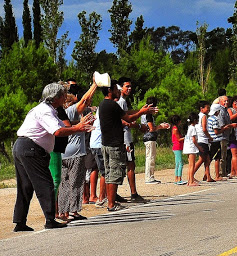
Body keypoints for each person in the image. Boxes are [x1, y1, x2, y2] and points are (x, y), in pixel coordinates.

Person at [12, 82, 94, 231]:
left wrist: (80, 126)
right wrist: (78, 127)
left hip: (23, 146)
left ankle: (20, 222)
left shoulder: (47, 109)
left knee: (25, 186)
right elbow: (57, 131)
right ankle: (50, 220)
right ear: (55, 97)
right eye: (63, 95)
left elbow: (63, 127)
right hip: (31, 149)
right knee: (46, 184)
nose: (65, 98)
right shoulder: (45, 111)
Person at [100, 80, 158, 212]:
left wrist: (141, 110)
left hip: (106, 143)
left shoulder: (103, 104)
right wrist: (142, 113)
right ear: (110, 90)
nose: (118, 90)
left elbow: (123, 117)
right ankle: (111, 203)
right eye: (115, 88)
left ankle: (111, 201)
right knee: (115, 173)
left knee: (109, 173)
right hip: (114, 144)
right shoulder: (113, 105)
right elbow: (129, 118)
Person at [57, 81, 98, 222]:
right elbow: (84, 100)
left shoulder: (60, 114)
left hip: (63, 153)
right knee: (76, 183)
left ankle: (63, 212)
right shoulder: (72, 112)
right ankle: (73, 211)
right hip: (76, 153)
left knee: (64, 184)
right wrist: (94, 85)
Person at [117, 77, 143, 202]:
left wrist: (141, 111)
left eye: (130, 86)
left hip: (123, 137)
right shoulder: (121, 101)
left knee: (123, 165)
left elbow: (127, 114)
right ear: (120, 87)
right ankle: (133, 192)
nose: (129, 89)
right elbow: (124, 120)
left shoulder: (122, 102)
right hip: (125, 137)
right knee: (130, 164)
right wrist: (137, 124)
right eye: (127, 86)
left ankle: (114, 193)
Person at [141, 96, 170, 184]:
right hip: (149, 138)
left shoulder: (143, 113)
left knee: (149, 157)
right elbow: (151, 128)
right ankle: (149, 178)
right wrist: (160, 126)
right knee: (150, 158)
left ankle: (150, 176)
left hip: (147, 138)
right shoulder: (148, 114)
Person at [183, 112, 200, 186]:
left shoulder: (189, 127)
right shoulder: (193, 128)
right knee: (192, 165)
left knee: (190, 165)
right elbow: (194, 139)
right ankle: (191, 181)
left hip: (187, 146)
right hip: (191, 147)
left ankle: (190, 180)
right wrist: (199, 147)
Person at [170, 115, 186, 185]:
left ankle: (176, 178)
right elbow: (178, 139)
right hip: (177, 147)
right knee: (180, 163)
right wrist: (186, 137)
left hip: (177, 147)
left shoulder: (174, 128)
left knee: (177, 163)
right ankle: (179, 178)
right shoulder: (175, 129)